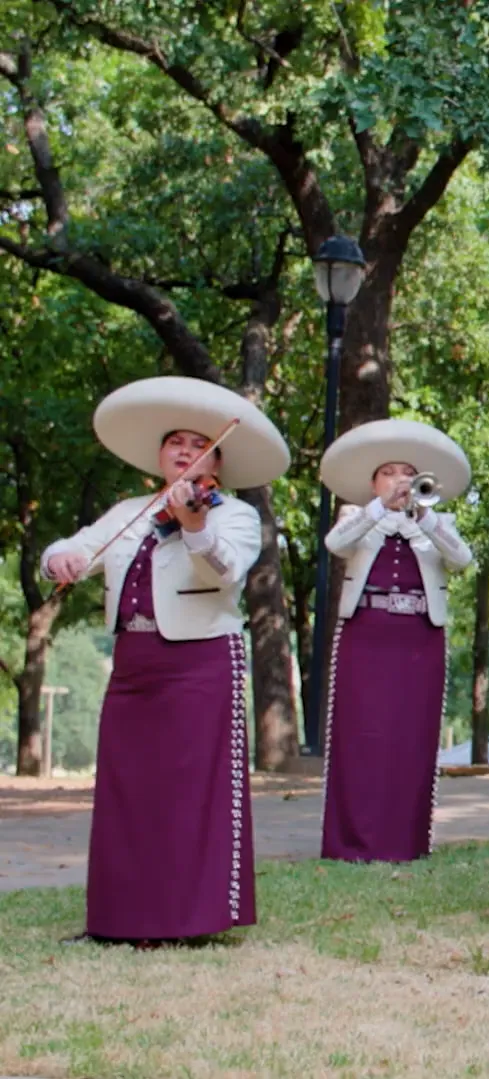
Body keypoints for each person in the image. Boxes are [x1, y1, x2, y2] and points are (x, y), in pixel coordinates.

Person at [42, 376, 288, 946]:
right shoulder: (130, 510)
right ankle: (116, 918)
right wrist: (65, 559)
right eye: (174, 441)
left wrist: (195, 526)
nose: (183, 449)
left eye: (198, 443)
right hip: (133, 662)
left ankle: (185, 920)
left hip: (201, 662)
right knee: (126, 793)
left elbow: (225, 573)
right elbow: (70, 545)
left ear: (217, 464)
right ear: (160, 454)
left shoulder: (234, 515)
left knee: (189, 794)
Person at [318, 419, 475, 863]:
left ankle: (406, 841)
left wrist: (423, 517)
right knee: (359, 734)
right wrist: (377, 509)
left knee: (411, 735)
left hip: (418, 636)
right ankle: (351, 842)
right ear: (374, 482)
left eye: (407, 473)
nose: (400, 481)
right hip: (365, 632)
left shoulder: (436, 519)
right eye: (389, 473)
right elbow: (335, 544)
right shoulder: (356, 516)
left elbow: (462, 560)